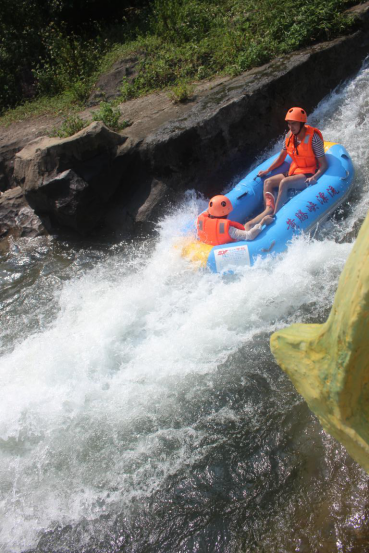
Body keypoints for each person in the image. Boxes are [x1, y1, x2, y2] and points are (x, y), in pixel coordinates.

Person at [244, 106, 328, 230]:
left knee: (284, 182)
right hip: (295, 171)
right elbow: (282, 157)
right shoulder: (289, 136)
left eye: (293, 124)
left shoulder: (314, 139)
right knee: (268, 181)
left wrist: (315, 177)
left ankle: (274, 216)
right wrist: (268, 170)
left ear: (301, 123)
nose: (291, 127)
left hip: (309, 173)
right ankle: (269, 209)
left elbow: (324, 164)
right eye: (289, 124)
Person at [197, 194, 273, 246]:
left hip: (214, 246)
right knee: (248, 224)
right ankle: (269, 210)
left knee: (247, 225)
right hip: (236, 246)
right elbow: (249, 235)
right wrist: (263, 222)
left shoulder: (201, 221)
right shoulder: (229, 230)